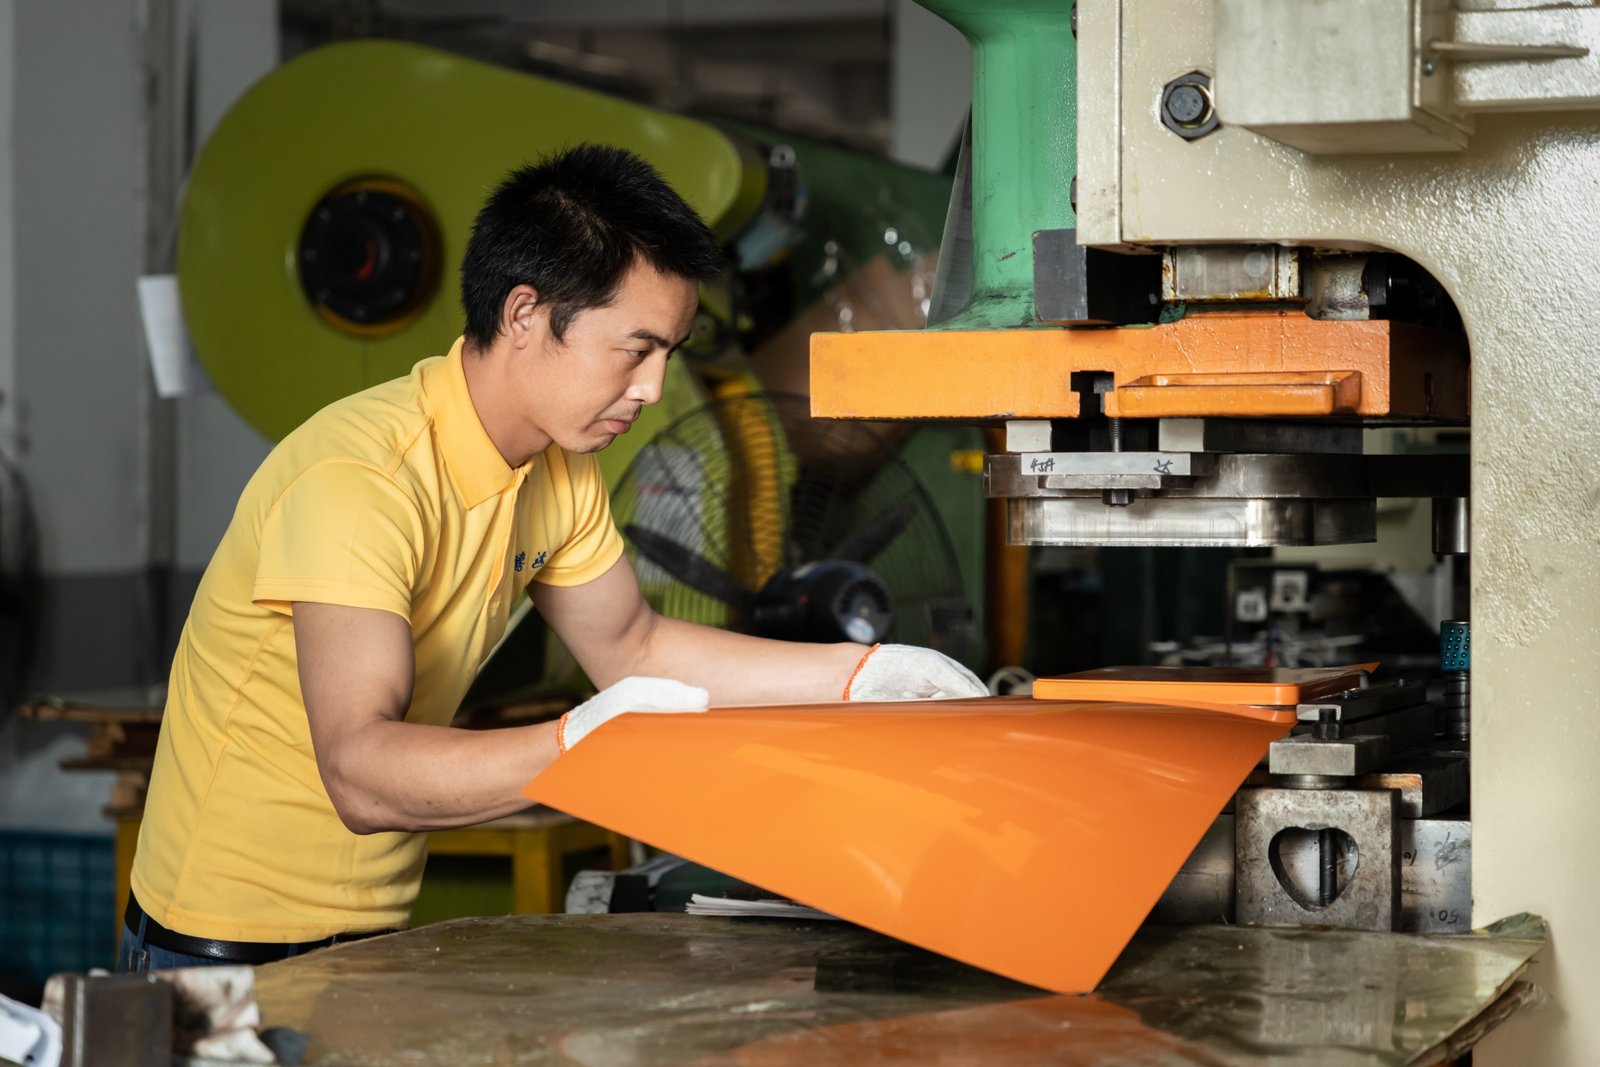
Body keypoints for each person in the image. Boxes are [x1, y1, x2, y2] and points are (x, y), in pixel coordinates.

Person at [119, 145, 987, 972]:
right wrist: (575, 744)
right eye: (635, 349)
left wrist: (864, 675)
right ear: (526, 314)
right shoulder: (362, 478)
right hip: (217, 942)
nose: (651, 389)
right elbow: (359, 772)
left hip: (371, 930)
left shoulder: (557, 469)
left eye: (667, 356)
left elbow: (636, 646)